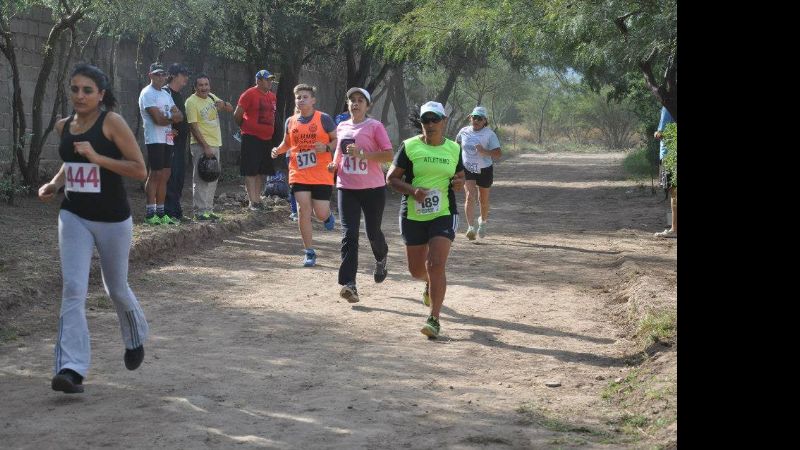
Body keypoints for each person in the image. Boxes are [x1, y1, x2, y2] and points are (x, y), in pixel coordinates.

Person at [38, 63, 149, 394]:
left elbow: (139, 169)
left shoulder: (111, 122)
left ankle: (135, 337)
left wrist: (98, 157)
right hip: (74, 215)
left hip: (113, 219)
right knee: (73, 288)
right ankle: (71, 369)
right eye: (74, 89)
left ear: (101, 95)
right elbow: (70, 164)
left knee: (115, 287)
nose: (80, 95)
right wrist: (55, 185)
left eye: (87, 90)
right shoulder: (63, 126)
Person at [386, 101, 465, 338]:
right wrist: (413, 191)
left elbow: (459, 176)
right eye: (425, 120)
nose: (430, 124)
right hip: (413, 214)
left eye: (435, 120)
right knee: (416, 270)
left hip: (444, 212)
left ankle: (434, 318)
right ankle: (428, 283)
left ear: (444, 122)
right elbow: (391, 179)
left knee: (436, 264)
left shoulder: (453, 149)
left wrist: (459, 183)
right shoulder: (409, 147)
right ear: (421, 123)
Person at [327, 88, 393, 303]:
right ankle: (349, 284)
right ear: (348, 105)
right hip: (346, 187)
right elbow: (339, 150)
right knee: (349, 234)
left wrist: (364, 154)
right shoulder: (342, 125)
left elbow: (388, 154)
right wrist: (334, 164)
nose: (355, 104)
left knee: (372, 232)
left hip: (372, 188)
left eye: (360, 100)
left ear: (368, 105)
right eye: (352, 101)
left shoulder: (375, 126)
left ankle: (381, 257)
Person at [271, 83, 337, 267]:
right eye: (298, 97)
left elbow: (337, 140)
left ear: (313, 100)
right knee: (303, 210)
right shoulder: (290, 121)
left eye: (305, 97)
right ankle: (309, 251)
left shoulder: (324, 119)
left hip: (321, 173)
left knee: (320, 213)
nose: (301, 100)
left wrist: (326, 147)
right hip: (298, 172)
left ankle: (327, 216)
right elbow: (286, 143)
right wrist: (277, 150)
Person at [138, 62, 184, 225]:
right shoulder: (147, 93)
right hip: (154, 138)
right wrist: (172, 118)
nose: (160, 77)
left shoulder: (166, 94)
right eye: (157, 74)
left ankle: (161, 212)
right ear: (150, 75)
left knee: (165, 175)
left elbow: (180, 115)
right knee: (155, 174)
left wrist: (171, 118)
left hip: (167, 138)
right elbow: (158, 119)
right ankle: (150, 213)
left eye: (163, 74)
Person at [185, 74, 234, 221]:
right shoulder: (191, 102)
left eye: (206, 84)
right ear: (195, 87)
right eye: (200, 85)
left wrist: (223, 105)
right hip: (201, 145)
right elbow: (193, 126)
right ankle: (200, 211)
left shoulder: (212, 97)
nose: (204, 88)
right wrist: (205, 146)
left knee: (212, 176)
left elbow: (230, 109)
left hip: (215, 143)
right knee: (201, 178)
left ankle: (208, 209)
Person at [233, 69, 278, 211]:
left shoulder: (272, 96)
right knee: (250, 170)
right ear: (258, 81)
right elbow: (237, 114)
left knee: (261, 171)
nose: (270, 82)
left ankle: (258, 200)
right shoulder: (249, 94)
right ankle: (252, 202)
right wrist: (245, 127)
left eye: (271, 79)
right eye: (267, 79)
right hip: (251, 138)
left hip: (267, 139)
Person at [455, 106, 501, 240]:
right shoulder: (463, 131)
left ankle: (483, 222)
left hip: (484, 169)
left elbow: (498, 153)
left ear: (485, 121)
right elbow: (455, 146)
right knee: (469, 196)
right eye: (474, 117)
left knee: (483, 199)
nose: (476, 120)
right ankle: (470, 227)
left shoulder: (490, 134)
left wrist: (484, 152)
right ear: (470, 118)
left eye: (479, 118)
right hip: (468, 168)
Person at [163, 63, 191, 222]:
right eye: (183, 74)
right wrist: (168, 129)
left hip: (180, 143)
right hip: (169, 143)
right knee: (171, 177)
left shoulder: (178, 94)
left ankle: (176, 210)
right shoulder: (165, 92)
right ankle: (168, 212)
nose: (186, 77)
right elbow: (160, 114)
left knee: (179, 176)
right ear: (173, 75)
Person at [654, 106, 677, 238]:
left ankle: (674, 229)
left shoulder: (668, 107)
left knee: (674, 193)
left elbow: (661, 133)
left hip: (670, 155)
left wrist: (656, 133)